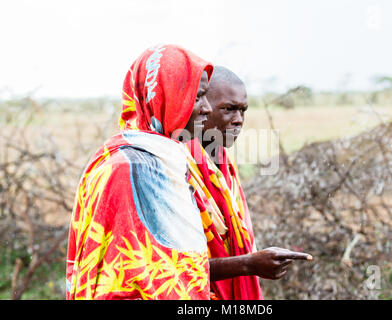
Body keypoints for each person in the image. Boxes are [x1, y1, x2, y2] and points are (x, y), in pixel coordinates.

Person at [66, 44, 214, 300]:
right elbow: (117, 279)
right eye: (198, 96)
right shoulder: (126, 170)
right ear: (166, 98)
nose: (208, 108)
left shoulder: (168, 160)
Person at [185, 66, 313, 300]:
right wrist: (248, 264)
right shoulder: (176, 166)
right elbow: (169, 263)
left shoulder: (224, 165)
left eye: (243, 111)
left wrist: (253, 262)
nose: (239, 120)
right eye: (228, 109)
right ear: (200, 107)